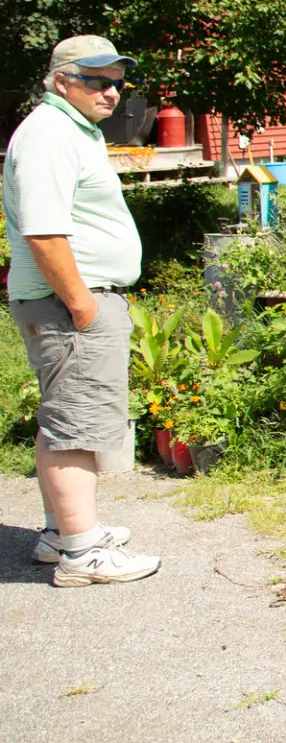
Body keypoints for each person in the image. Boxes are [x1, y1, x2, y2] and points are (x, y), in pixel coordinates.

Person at [4, 36, 160, 585]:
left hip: (70, 300)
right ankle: (81, 553)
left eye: (118, 81)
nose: (112, 91)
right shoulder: (49, 136)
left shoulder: (71, 131)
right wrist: (83, 306)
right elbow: (44, 232)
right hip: (69, 302)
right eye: (97, 79)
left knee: (64, 415)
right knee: (76, 424)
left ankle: (61, 531)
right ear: (63, 80)